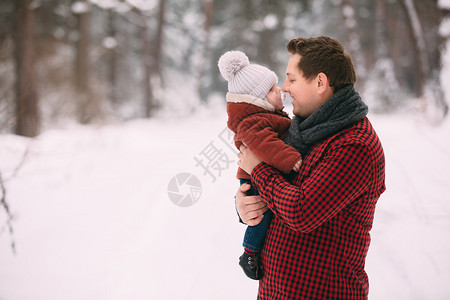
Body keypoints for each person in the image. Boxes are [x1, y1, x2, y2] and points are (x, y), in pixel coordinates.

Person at [235, 36, 386, 299]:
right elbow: (277, 192)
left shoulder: (354, 145)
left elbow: (301, 211)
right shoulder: (302, 129)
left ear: (320, 83)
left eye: (292, 79)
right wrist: (246, 204)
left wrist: (258, 169)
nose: (284, 88)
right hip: (275, 292)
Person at [218, 50, 302, 280]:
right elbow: (265, 145)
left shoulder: (267, 115)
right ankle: (250, 252)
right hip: (252, 178)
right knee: (260, 218)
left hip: (260, 174)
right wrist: (290, 159)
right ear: (256, 99)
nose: (280, 91)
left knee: (263, 214)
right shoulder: (252, 121)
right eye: (272, 90)